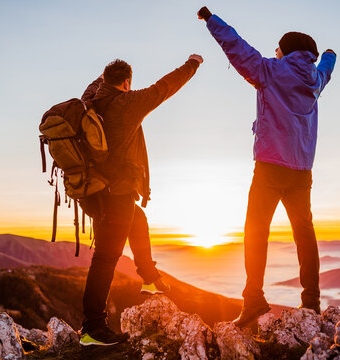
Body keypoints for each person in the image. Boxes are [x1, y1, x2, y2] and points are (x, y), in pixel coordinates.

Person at [198, 6, 336, 327]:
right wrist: (329, 53)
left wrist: (210, 19)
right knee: (304, 234)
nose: (273, 51)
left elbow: (235, 45)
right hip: (302, 172)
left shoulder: (270, 71)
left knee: (255, 231)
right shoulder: (315, 79)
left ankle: (254, 301)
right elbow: (327, 66)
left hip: (270, 168)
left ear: (285, 51)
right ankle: (311, 303)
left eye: (277, 48)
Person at [78, 54, 203, 345]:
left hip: (94, 193)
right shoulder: (127, 103)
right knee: (106, 259)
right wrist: (192, 64)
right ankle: (92, 329)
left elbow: (98, 83)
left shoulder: (90, 99)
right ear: (126, 82)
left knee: (139, 219)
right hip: (116, 193)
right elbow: (164, 88)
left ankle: (148, 276)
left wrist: (104, 77)